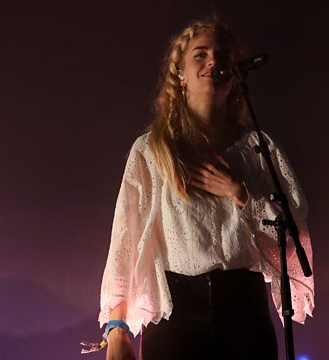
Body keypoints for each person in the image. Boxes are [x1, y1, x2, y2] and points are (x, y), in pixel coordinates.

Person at [96, 17, 314, 360]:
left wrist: (242, 194)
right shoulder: (153, 150)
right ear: (180, 74)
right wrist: (116, 327)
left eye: (222, 56)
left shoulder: (259, 148)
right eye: (201, 54)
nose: (213, 61)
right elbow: (125, 237)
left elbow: (293, 234)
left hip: (244, 311)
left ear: (234, 76)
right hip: (176, 315)